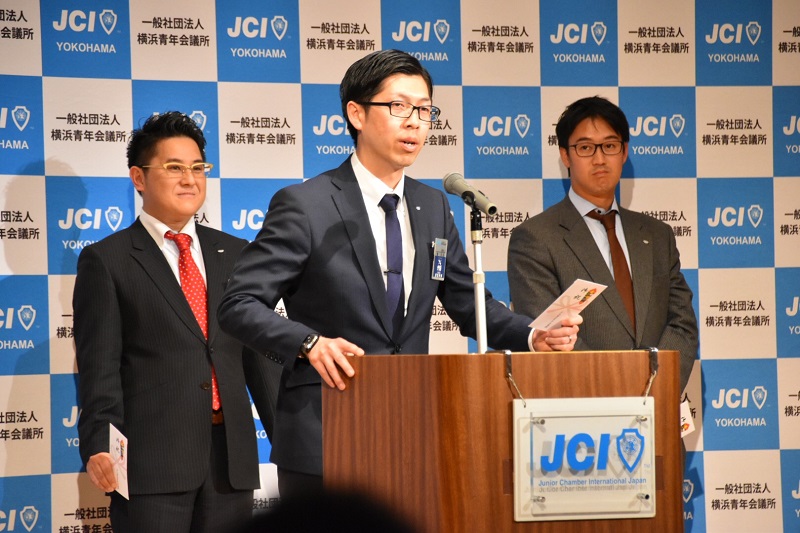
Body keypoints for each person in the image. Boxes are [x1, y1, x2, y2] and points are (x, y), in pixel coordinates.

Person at [217, 49, 581, 498]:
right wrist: (309, 343)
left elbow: (469, 306)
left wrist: (532, 335)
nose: (415, 122)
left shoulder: (432, 206)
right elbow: (239, 304)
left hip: (412, 434)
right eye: (398, 106)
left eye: (425, 110)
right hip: (325, 432)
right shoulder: (306, 205)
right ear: (356, 114)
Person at [73, 111, 260, 532]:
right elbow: (100, 367)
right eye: (174, 167)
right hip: (151, 465)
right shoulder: (108, 260)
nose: (190, 179)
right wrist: (100, 444)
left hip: (231, 462)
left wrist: (293, 435)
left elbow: (257, 357)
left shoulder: (236, 253)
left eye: (198, 168)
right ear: (138, 178)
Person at [507, 96, 698, 391]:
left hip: (658, 405)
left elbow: (682, 325)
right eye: (585, 148)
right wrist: (622, 390)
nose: (599, 159)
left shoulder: (657, 235)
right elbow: (552, 335)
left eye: (610, 146)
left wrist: (656, 388)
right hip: (583, 409)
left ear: (624, 152)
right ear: (565, 155)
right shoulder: (536, 238)